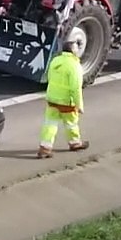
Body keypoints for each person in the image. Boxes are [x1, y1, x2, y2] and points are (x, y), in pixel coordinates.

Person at [39, 28, 89, 159]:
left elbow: (49, 77)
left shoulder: (55, 61)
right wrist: (79, 105)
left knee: (50, 124)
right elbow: (76, 88)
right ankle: (75, 143)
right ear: (74, 51)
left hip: (52, 99)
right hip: (67, 101)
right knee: (71, 123)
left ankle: (45, 148)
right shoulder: (74, 66)